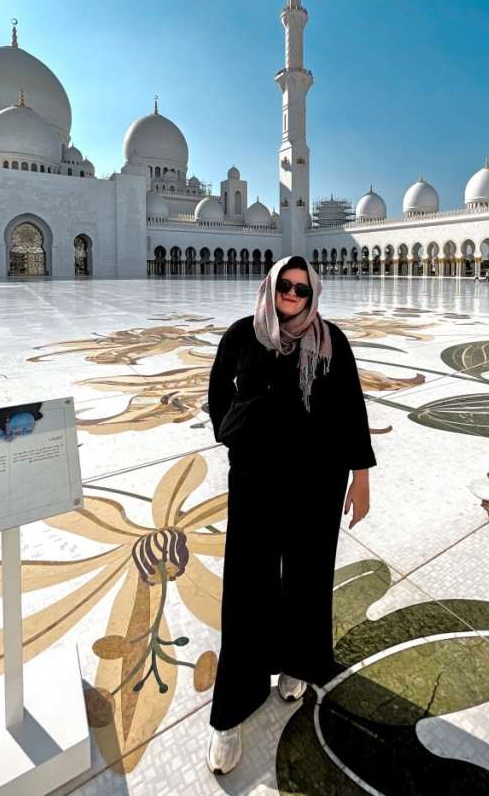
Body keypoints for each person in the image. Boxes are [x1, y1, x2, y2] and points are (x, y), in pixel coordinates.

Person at [205, 254, 376, 775]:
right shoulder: (243, 335)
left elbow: (351, 406)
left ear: (313, 293)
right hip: (258, 483)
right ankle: (229, 715)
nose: (294, 298)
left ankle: (297, 664)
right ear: (271, 286)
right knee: (247, 589)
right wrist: (242, 434)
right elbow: (217, 401)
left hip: (316, 484)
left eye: (303, 290)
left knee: (306, 580)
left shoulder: (330, 341)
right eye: (286, 287)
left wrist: (360, 475)